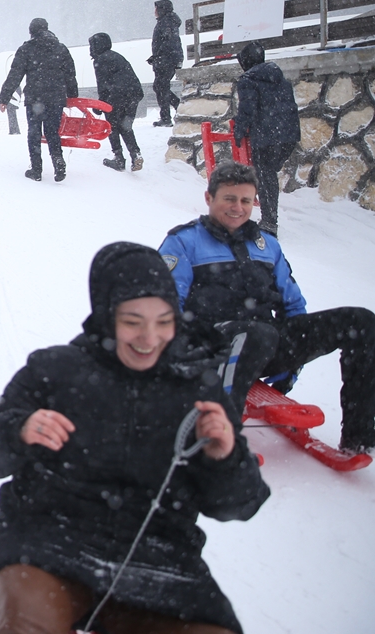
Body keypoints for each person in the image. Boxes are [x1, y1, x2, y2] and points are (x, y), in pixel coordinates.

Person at [0, 241, 274, 634]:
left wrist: (225, 456)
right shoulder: (55, 370)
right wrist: (18, 431)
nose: (149, 337)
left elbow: (241, 505)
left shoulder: (198, 389)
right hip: (46, 546)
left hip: (160, 566)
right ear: (106, 315)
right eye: (133, 321)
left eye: (163, 321)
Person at [159, 162, 375, 452]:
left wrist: (293, 361)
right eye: (229, 198)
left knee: (360, 321)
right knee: (259, 334)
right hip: (209, 352)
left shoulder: (267, 245)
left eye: (246, 200)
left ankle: (359, 439)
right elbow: (165, 309)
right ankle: (218, 440)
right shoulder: (184, 242)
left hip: (264, 344)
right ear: (209, 198)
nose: (238, 208)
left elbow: (293, 305)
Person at [0, 18, 78, 182]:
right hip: (56, 98)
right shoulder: (61, 48)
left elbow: (15, 75)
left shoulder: (26, 49)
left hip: (35, 99)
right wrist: (72, 95)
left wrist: (4, 97)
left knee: (34, 132)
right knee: (52, 132)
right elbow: (70, 74)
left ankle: (36, 169)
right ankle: (58, 160)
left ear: (31, 32)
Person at [233, 42, 300, 235]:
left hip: (267, 135)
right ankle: (269, 216)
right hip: (288, 135)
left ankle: (269, 222)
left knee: (265, 175)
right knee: (268, 173)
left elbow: (247, 109)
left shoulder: (248, 80)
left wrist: (239, 130)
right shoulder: (279, 78)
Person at [89, 32, 145, 173]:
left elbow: (103, 85)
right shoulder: (117, 56)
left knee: (111, 126)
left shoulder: (100, 60)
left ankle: (118, 158)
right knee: (125, 126)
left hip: (117, 95)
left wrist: (101, 105)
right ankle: (135, 154)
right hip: (134, 94)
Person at [149, 0, 184, 127]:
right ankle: (174, 109)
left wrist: (158, 56)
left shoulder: (166, 22)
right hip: (168, 59)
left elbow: (167, 42)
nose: (154, 11)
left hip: (166, 60)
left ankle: (168, 116)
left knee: (161, 87)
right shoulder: (168, 21)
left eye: (156, 8)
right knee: (160, 86)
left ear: (162, 9)